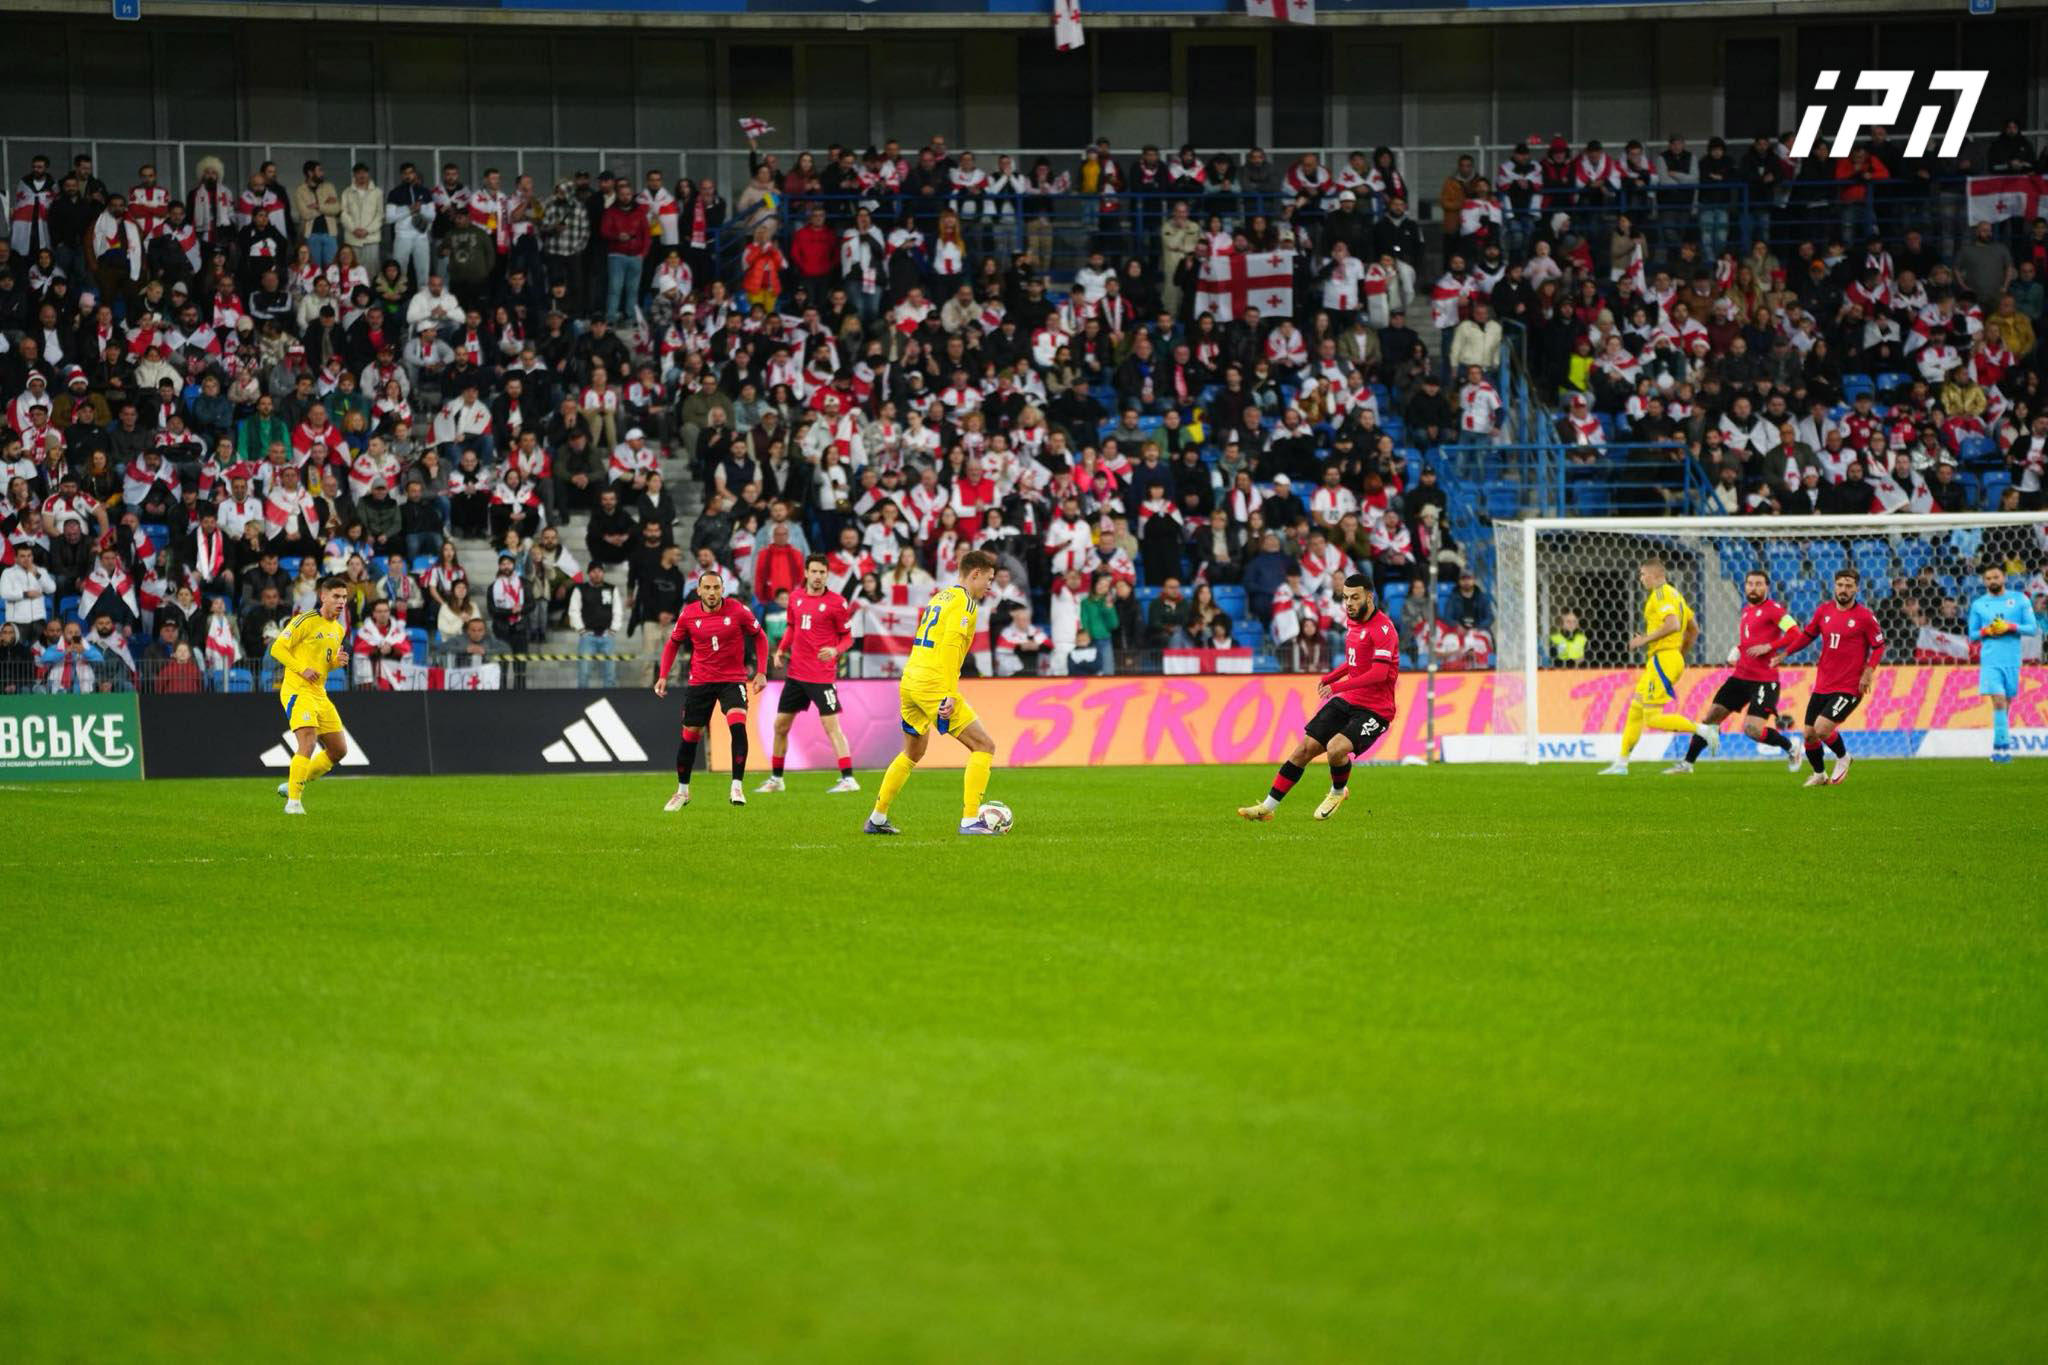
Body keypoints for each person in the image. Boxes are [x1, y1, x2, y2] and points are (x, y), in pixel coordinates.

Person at [864, 549, 1002, 836]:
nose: (990, 586)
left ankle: (877, 818)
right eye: (989, 579)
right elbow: (951, 647)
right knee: (984, 746)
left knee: (913, 752)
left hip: (910, 680)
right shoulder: (965, 603)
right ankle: (970, 820)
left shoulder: (941, 597)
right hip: (933, 684)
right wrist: (950, 692)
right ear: (975, 574)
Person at [1238, 574, 1397, 823]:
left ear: (1369, 597)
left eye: (1355, 597)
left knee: (1336, 748)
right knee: (1304, 749)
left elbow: (1379, 673)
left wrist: (1337, 686)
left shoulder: (1383, 629)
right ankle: (1267, 807)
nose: (1349, 603)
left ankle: (1338, 792)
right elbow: (1355, 661)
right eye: (1345, 598)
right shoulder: (1353, 621)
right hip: (1349, 699)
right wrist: (1331, 677)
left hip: (1376, 709)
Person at [653, 569, 768, 810]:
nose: (712, 592)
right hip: (701, 681)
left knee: (738, 726)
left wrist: (761, 671)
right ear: (699, 591)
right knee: (689, 737)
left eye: (716, 587)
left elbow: (760, 637)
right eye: (707, 588)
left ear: (723, 589)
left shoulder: (738, 610)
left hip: (732, 680)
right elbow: (672, 644)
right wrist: (663, 676)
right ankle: (682, 792)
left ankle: (737, 786)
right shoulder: (688, 614)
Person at [1666, 570, 1801, 774]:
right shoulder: (1746, 610)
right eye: (1750, 584)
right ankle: (1687, 764)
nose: (1753, 588)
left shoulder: (1775, 610)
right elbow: (1749, 640)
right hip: (1740, 677)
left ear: (1767, 587)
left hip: (1764, 681)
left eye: (1758, 584)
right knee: (1711, 719)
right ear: (1745, 586)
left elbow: (1795, 633)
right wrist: (1738, 649)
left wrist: (1769, 646)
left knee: (1752, 730)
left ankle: (1791, 747)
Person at [1770, 569, 1886, 787]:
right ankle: (1820, 774)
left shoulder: (1864, 616)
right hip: (1823, 683)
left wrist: (1869, 671)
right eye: (1840, 585)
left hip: (1849, 686)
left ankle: (1844, 757)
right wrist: (1786, 653)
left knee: (1822, 729)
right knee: (1809, 734)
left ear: (1856, 588)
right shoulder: (1824, 610)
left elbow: (1879, 646)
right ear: (1834, 586)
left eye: (1849, 585)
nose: (1844, 589)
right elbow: (1808, 635)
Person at [760, 553, 859, 795]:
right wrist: (781, 650)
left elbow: (848, 638)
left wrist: (835, 650)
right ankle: (776, 779)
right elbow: (792, 627)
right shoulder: (795, 598)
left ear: (827, 575)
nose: (817, 576)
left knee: (831, 727)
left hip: (821, 677)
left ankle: (848, 779)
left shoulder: (837, 603)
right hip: (796, 674)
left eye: (822, 572)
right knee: (780, 725)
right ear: (806, 573)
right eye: (814, 571)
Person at [1598, 555, 1700, 776]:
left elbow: (1673, 624)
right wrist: (1679, 655)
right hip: (1665, 658)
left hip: (1663, 659)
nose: (1640, 578)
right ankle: (1621, 764)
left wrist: (1644, 640)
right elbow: (1694, 629)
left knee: (1652, 717)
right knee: (1636, 709)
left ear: (1656, 575)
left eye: (1643, 574)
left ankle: (1704, 730)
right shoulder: (1676, 595)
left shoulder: (1661, 594)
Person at [269, 573, 350, 815]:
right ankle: (293, 803)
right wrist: (301, 669)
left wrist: (335, 663)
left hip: (319, 693)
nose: (341, 601)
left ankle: (294, 782)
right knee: (308, 741)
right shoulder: (304, 620)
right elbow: (277, 649)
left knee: (338, 750)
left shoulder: (338, 629)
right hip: (297, 689)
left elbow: (322, 664)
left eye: (344, 597)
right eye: (336, 596)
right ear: (323, 596)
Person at [1967, 565, 2040, 764]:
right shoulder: (1979, 604)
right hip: (1991, 661)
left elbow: (2032, 628)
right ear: (1984, 581)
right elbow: (1972, 634)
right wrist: (1987, 631)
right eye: (1988, 578)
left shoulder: (2020, 600)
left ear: (2004, 578)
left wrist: (2009, 626)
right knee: (1999, 700)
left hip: (2012, 660)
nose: (1992, 581)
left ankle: (1998, 747)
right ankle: (2004, 751)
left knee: (2006, 704)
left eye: (1996, 577)